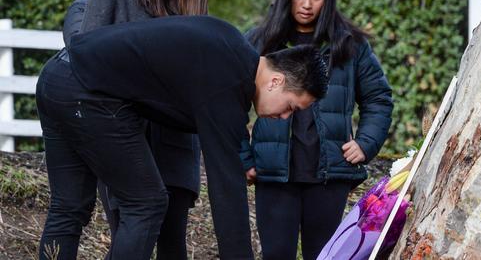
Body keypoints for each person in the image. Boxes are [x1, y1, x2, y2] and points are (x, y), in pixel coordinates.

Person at [37, 16, 329, 260]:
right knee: (146, 204)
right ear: (276, 81)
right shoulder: (228, 83)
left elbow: (228, 128)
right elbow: (227, 190)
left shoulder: (231, 48)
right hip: (87, 95)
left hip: (57, 76)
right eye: (291, 107)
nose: (285, 118)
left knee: (68, 207)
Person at [60, 0, 211, 258]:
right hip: (124, 139)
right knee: (132, 241)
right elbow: (88, 62)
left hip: (173, 141)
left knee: (172, 246)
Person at [242, 0, 394, 260]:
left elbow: (378, 98)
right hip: (273, 176)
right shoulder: (260, 42)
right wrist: (244, 157)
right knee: (276, 254)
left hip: (329, 177)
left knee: (324, 255)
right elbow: (230, 104)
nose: (307, 4)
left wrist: (366, 143)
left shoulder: (350, 45)